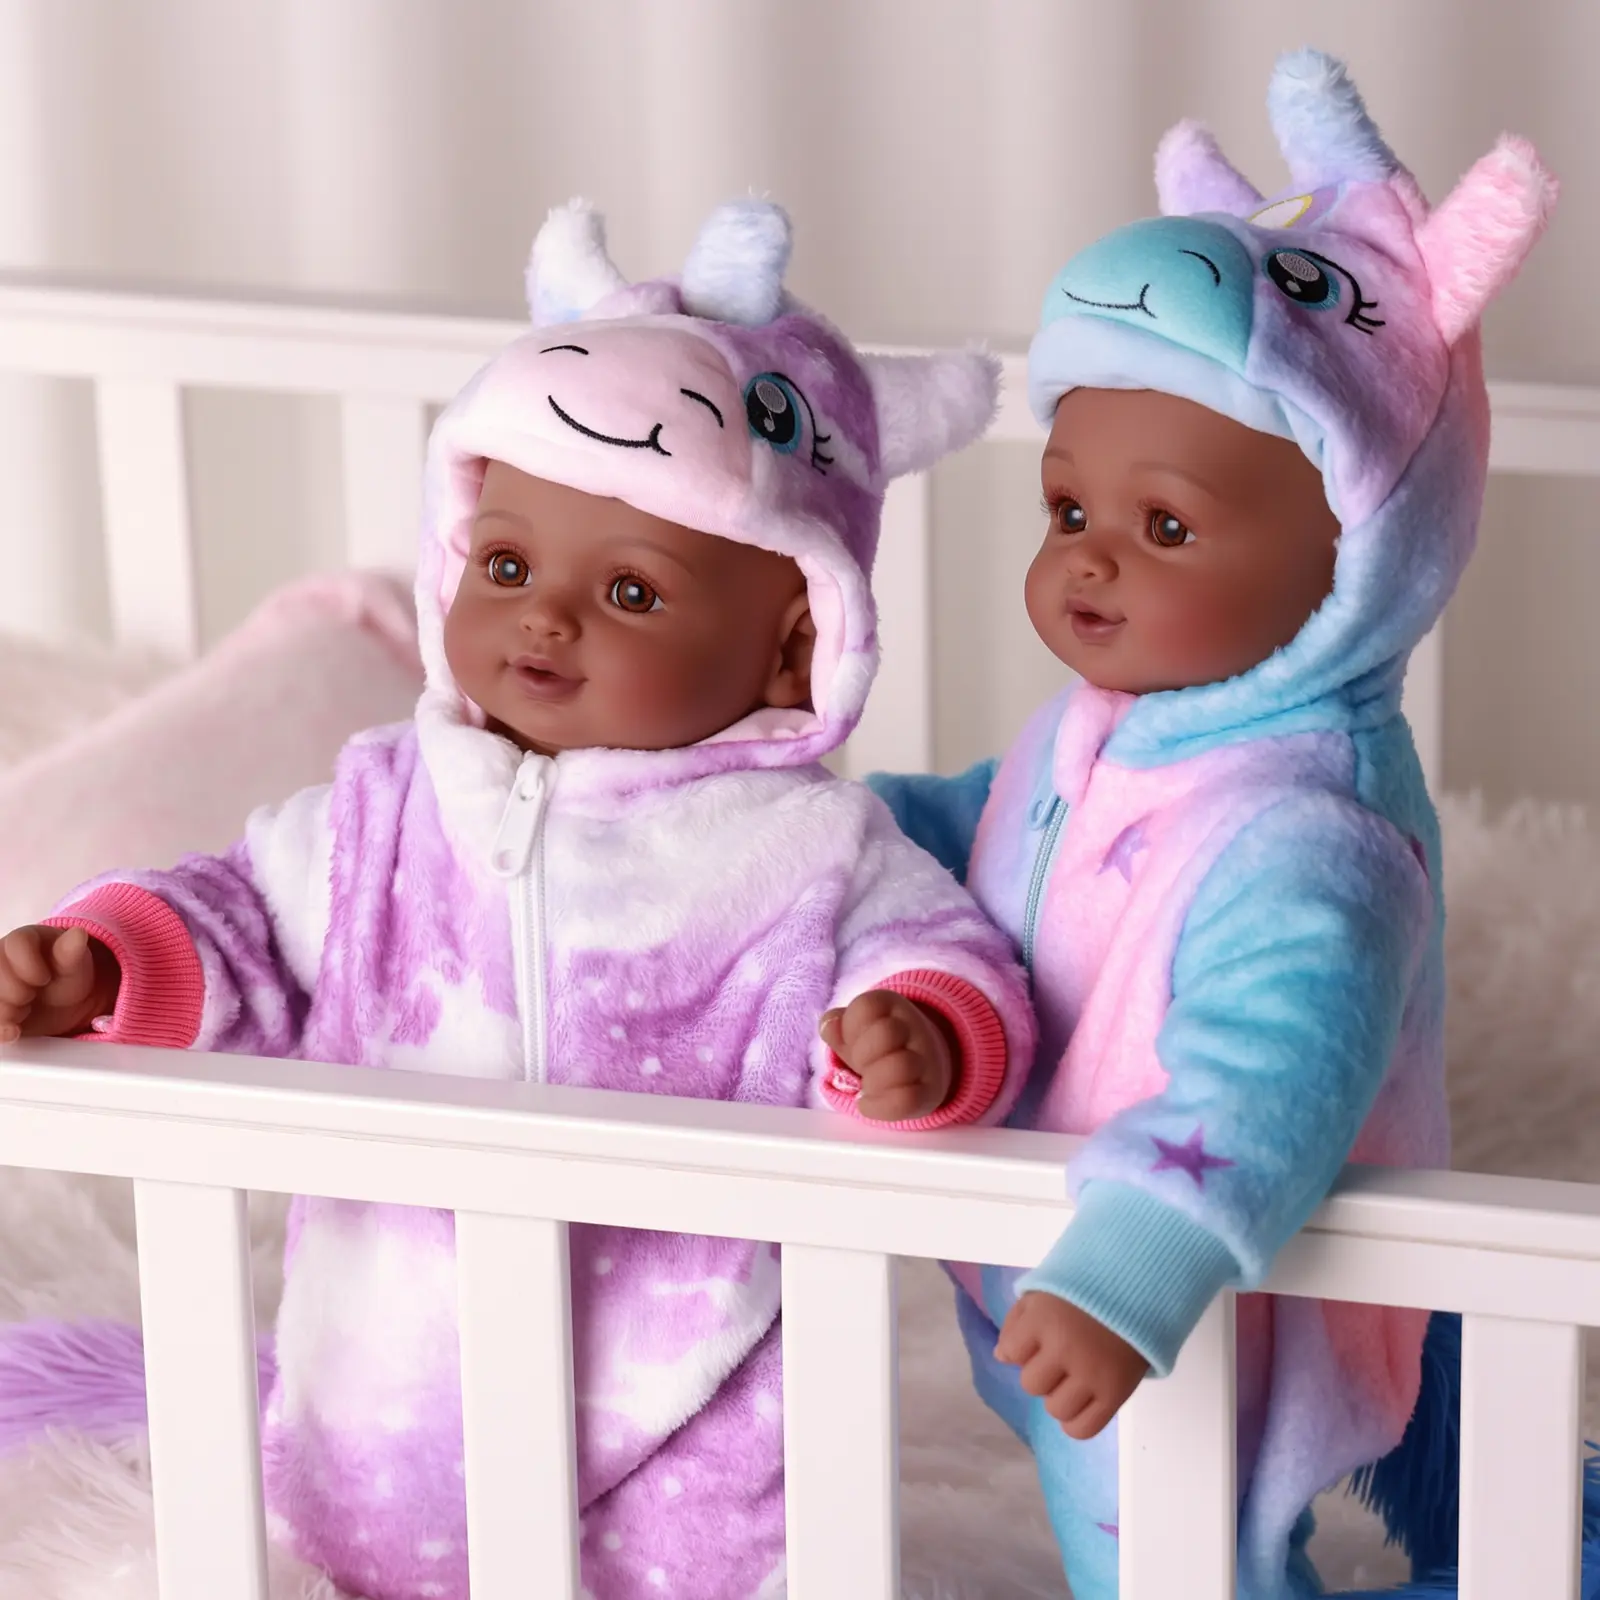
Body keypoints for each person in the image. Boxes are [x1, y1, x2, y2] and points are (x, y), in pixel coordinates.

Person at [0, 197, 1033, 1600]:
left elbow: (941, 952)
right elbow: (243, 921)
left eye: (632, 591)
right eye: (505, 566)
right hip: (383, 1410)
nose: (546, 615)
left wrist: (925, 1033)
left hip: (690, 1440)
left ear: (797, 645)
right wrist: (113, 959)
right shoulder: (385, 805)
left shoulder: (809, 852)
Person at [870, 49, 1556, 1598]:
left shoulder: (1309, 832)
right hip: (1063, 1251)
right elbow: (1003, 826)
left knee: (1182, 1556)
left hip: (1200, 1290)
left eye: (1164, 525)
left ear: (1357, 556)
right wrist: (848, 845)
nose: (1088, 561)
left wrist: (1138, 1266)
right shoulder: (1117, 721)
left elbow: (1272, 1066)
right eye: (1068, 511)